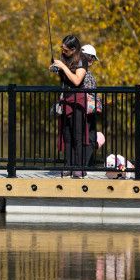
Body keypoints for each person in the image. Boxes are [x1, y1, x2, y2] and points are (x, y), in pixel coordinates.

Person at [51, 35, 92, 178]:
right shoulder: (65, 58)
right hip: (66, 100)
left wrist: (63, 67)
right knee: (67, 136)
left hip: (77, 101)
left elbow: (76, 80)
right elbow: (65, 78)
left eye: (66, 49)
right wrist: (57, 69)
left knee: (77, 136)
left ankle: (79, 167)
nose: (63, 51)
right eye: (62, 48)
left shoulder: (82, 60)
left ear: (74, 49)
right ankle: (68, 165)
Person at [81, 44, 104, 164]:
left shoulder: (77, 70)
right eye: (92, 58)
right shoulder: (84, 72)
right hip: (87, 110)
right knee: (90, 136)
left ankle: (82, 164)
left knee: (87, 136)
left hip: (83, 109)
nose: (93, 61)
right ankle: (84, 165)